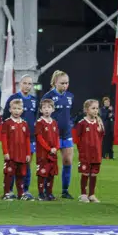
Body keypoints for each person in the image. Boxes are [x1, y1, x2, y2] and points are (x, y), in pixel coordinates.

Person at [41, 70, 76, 199]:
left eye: (67, 83)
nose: (65, 85)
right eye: (62, 83)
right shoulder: (48, 96)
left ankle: (65, 190)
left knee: (67, 161)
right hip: (52, 135)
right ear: (55, 82)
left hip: (66, 134)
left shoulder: (70, 96)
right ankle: (46, 190)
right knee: (49, 163)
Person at [0, 97, 32, 200]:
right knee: (9, 174)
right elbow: (4, 139)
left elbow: (27, 139)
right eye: (14, 108)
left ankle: (20, 194)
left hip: (22, 154)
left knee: (21, 175)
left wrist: (28, 154)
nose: (17, 111)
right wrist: (5, 152)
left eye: (19, 109)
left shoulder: (24, 124)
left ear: (22, 110)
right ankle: (6, 193)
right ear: (10, 110)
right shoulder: (7, 123)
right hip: (11, 154)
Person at [76, 98, 105, 203]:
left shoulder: (99, 123)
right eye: (93, 108)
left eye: (97, 108)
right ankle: (83, 194)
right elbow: (78, 139)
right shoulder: (82, 123)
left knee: (93, 174)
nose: (95, 110)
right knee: (85, 173)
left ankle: (91, 194)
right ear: (86, 110)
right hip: (85, 154)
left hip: (96, 154)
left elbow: (101, 138)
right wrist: (82, 151)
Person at [33, 98, 61, 201]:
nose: (47, 109)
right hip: (43, 154)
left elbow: (57, 137)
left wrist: (56, 148)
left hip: (53, 153)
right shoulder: (39, 122)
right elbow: (39, 138)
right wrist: (49, 149)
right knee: (42, 173)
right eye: (44, 107)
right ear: (40, 110)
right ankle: (41, 194)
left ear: (53, 109)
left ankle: (49, 193)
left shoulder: (54, 122)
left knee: (51, 173)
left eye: (49, 107)